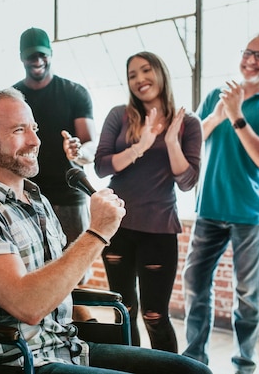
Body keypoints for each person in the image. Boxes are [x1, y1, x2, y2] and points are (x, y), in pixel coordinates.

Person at [0, 88, 212, 374]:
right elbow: (29, 305)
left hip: (67, 348)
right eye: (19, 130)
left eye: (34, 128)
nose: (35, 140)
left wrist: (86, 320)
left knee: (194, 372)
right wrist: (97, 233)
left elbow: (57, 283)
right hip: (18, 362)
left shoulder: (36, 200)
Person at [182, 32, 259, 373]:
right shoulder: (215, 96)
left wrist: (237, 114)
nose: (251, 59)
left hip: (251, 214)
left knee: (247, 295)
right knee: (194, 283)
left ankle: (245, 362)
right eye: (248, 52)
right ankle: (195, 358)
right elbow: (191, 142)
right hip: (209, 207)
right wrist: (218, 114)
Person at [94, 51, 202, 352]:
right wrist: (140, 146)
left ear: (161, 72)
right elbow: (101, 166)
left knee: (155, 316)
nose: (140, 79)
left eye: (145, 70)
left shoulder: (188, 123)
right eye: (132, 75)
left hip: (160, 229)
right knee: (124, 312)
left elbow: (187, 182)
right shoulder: (120, 115)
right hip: (118, 226)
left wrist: (169, 142)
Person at [12, 27, 96, 247]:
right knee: (33, 269)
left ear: (50, 54)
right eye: (31, 55)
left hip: (69, 197)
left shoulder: (74, 92)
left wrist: (79, 151)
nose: (37, 60)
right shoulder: (12, 99)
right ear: (22, 57)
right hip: (26, 196)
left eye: (42, 54)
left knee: (74, 270)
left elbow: (90, 144)